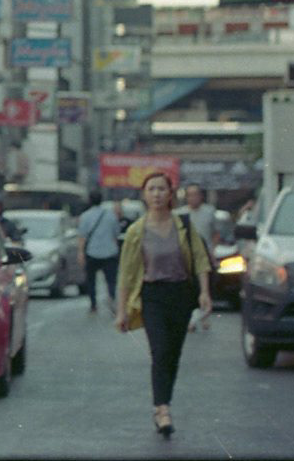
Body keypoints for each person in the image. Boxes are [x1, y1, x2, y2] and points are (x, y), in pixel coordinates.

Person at [115, 171, 213, 438]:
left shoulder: (184, 225)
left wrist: (204, 292)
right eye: (151, 189)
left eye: (161, 189)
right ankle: (162, 409)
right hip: (152, 296)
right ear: (144, 195)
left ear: (170, 194)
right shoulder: (136, 231)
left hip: (180, 294)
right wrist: (122, 311)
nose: (156, 194)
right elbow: (126, 274)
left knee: (173, 353)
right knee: (160, 351)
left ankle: (163, 402)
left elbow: (201, 259)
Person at [75, 190, 121, 313]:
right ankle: (112, 299)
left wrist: (80, 253)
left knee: (91, 280)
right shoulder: (111, 215)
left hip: (92, 252)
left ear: (89, 201)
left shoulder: (85, 216)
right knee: (111, 280)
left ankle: (93, 304)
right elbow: (116, 234)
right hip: (110, 252)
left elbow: (82, 237)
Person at [181, 183, 217, 248]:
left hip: (206, 250)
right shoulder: (180, 213)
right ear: (186, 197)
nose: (193, 197)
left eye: (195, 194)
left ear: (201, 196)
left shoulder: (210, 211)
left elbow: (216, 233)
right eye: (190, 195)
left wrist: (213, 249)